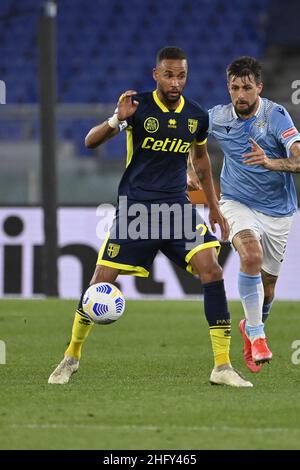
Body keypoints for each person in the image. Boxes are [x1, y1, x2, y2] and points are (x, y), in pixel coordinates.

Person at [48, 47, 252, 387]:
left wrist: (214, 207)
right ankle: (70, 357)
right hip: (136, 211)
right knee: (100, 282)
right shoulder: (137, 107)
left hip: (176, 209)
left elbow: (201, 161)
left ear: (187, 76)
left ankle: (222, 366)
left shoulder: (197, 116)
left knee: (212, 268)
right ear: (156, 75)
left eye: (181, 75)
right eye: (169, 75)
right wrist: (117, 119)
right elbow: (89, 141)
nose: (175, 82)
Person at [207, 56, 300, 372]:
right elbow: (186, 135)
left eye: (247, 87)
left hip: (278, 211)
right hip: (236, 202)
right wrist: (189, 169)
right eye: (235, 88)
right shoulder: (218, 117)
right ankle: (258, 335)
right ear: (228, 88)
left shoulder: (276, 116)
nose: (241, 95)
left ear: (259, 87)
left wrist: (270, 162)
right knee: (250, 256)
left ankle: (251, 326)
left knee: (269, 288)